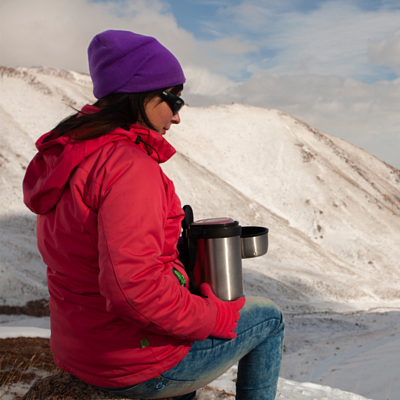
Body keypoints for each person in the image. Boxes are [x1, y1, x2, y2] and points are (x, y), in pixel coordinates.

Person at [23, 30, 284, 400]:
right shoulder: (128, 166)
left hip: (83, 351)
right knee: (269, 318)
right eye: (174, 101)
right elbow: (134, 289)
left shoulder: (72, 155)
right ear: (141, 96)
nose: (177, 117)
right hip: (132, 363)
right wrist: (214, 317)